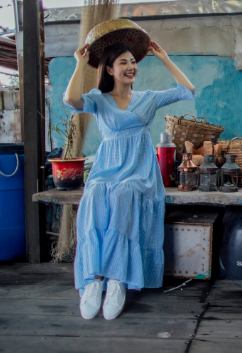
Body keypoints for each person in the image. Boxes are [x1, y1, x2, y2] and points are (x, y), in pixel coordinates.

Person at [64, 40, 195, 320]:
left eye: (133, 62)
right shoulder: (99, 100)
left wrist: (163, 57)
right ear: (109, 69)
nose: (130, 66)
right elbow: (72, 100)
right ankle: (94, 278)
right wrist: (79, 63)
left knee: (124, 193)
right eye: (123, 62)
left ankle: (117, 279)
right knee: (95, 192)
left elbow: (187, 89)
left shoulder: (148, 98)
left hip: (139, 170)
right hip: (107, 169)